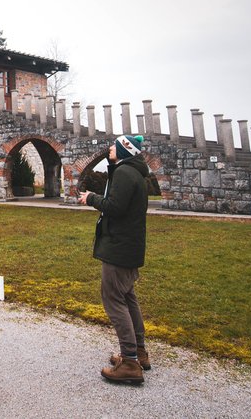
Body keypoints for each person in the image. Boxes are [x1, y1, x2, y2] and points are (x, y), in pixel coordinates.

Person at [77, 134, 151, 384]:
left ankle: (129, 361)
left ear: (123, 150)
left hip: (119, 247)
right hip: (129, 246)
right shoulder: (134, 173)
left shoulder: (124, 173)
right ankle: (139, 352)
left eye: (115, 145)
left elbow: (115, 207)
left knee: (113, 299)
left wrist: (90, 199)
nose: (110, 147)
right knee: (128, 297)